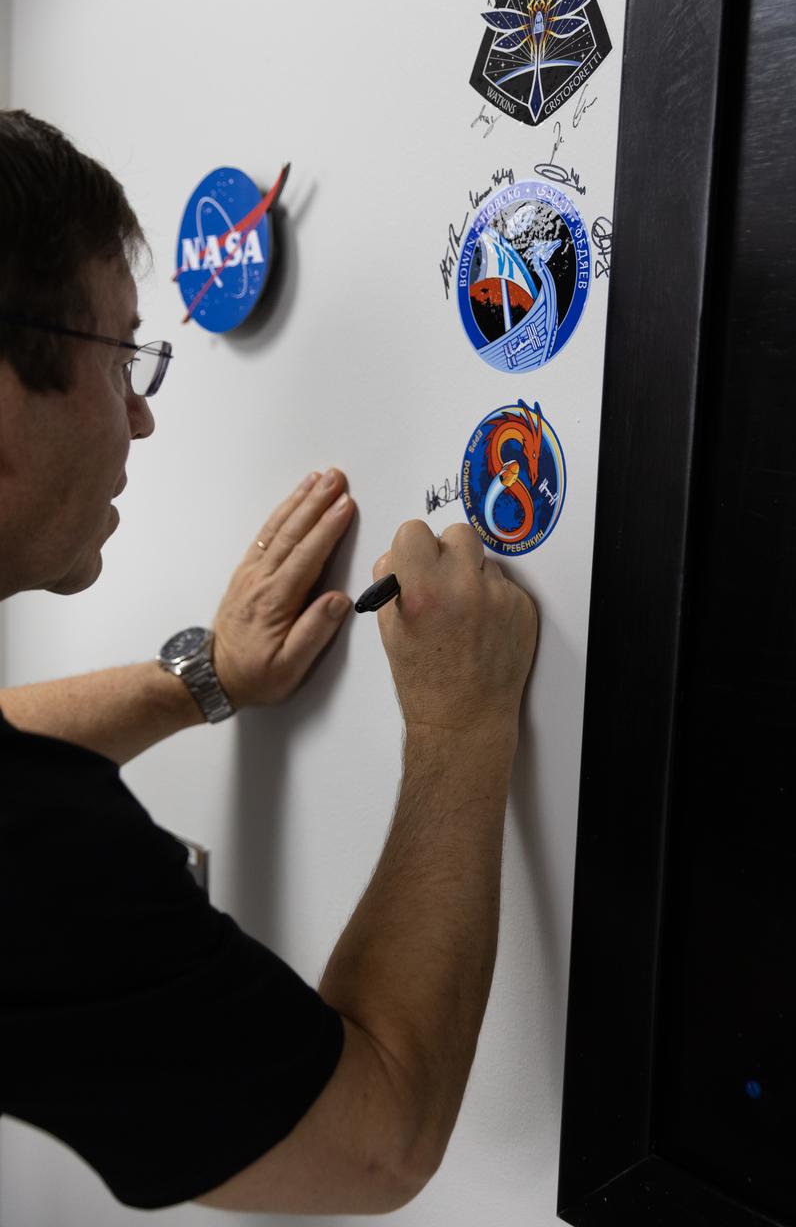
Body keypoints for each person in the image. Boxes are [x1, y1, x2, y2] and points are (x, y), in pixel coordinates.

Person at [0, 110, 538, 1213]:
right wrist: (459, 726)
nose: (140, 419)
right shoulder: (33, 852)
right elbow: (378, 1135)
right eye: (122, 359)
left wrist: (203, 678)